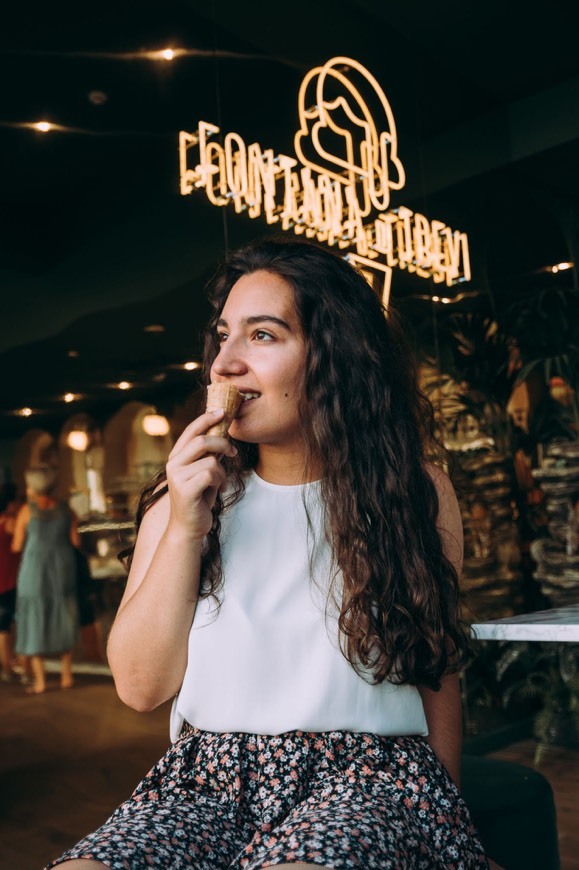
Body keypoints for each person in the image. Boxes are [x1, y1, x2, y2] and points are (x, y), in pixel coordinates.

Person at [47, 237, 490, 869]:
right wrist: (182, 528)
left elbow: (435, 667)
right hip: (205, 784)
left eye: (262, 336)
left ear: (333, 356)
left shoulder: (413, 492)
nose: (224, 363)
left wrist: (451, 831)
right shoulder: (178, 504)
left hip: (370, 778)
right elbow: (142, 689)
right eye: (222, 336)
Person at [12, 465, 80, 694]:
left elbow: (17, 545)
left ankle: (40, 681)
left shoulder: (26, 511)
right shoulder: (65, 509)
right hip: (62, 568)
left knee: (33, 619)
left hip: (35, 570)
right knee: (64, 614)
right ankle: (66, 676)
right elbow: (76, 542)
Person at [0, 482, 22, 680]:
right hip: (7, 580)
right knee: (5, 626)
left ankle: (8, 665)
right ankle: (7, 667)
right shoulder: (9, 521)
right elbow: (20, 544)